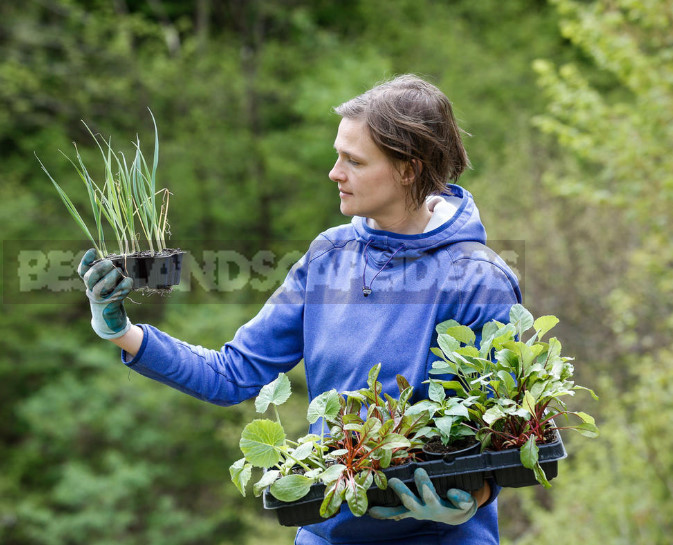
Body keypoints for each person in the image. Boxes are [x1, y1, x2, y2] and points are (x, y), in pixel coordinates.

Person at [78, 74, 521, 545]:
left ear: (408, 169)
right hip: (327, 533)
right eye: (337, 155)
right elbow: (232, 375)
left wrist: (470, 502)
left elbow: (501, 433)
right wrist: (120, 330)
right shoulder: (329, 256)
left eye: (353, 160)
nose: (335, 172)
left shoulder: (476, 278)